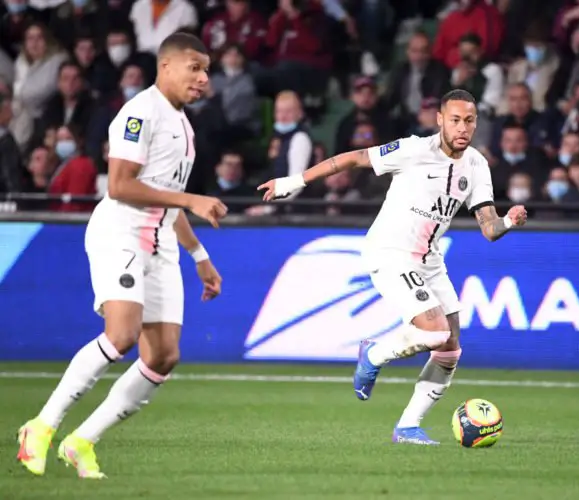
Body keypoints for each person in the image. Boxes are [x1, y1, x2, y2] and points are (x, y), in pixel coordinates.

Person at [258, 89, 528, 445]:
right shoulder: (414, 150)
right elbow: (352, 159)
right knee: (433, 332)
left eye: (470, 120)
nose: (463, 127)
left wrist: (508, 221)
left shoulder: (477, 164)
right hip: (390, 251)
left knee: (449, 349)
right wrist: (293, 182)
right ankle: (374, 352)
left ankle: (408, 427)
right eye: (455, 120)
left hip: (429, 260)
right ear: (440, 120)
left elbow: (489, 228)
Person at [16, 33, 229, 479]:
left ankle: (81, 442)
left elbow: (167, 198)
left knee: (164, 356)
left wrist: (199, 255)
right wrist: (191, 200)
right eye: (195, 67)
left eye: (207, 70)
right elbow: (120, 185)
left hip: (162, 240)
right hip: (122, 231)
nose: (203, 78)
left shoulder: (185, 126)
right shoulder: (139, 113)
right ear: (165, 65)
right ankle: (41, 426)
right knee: (122, 334)